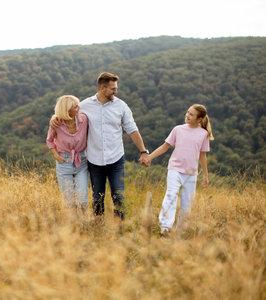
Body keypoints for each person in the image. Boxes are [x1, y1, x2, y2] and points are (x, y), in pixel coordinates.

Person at [51, 72, 150, 219]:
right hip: (94, 160)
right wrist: (55, 117)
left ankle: (119, 228)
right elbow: (67, 114)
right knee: (97, 197)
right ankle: (98, 226)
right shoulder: (84, 106)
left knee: (118, 196)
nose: (116, 91)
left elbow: (132, 129)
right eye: (113, 89)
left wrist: (143, 151)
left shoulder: (121, 106)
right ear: (102, 88)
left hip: (116, 158)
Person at [144, 104, 214, 235]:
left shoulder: (203, 134)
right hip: (175, 169)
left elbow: (202, 155)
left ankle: (180, 232)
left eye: (191, 114)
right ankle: (165, 228)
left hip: (191, 174)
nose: (187, 115)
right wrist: (149, 157)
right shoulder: (178, 129)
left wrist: (205, 175)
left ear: (199, 119)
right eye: (187, 112)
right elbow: (165, 146)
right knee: (171, 195)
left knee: (187, 203)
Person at [46, 95, 89, 217]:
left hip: (81, 160)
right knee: (69, 201)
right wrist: (56, 155)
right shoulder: (56, 123)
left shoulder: (83, 119)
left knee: (82, 199)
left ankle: (87, 222)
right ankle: (74, 227)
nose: (78, 108)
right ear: (67, 110)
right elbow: (49, 140)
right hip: (64, 161)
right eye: (75, 107)